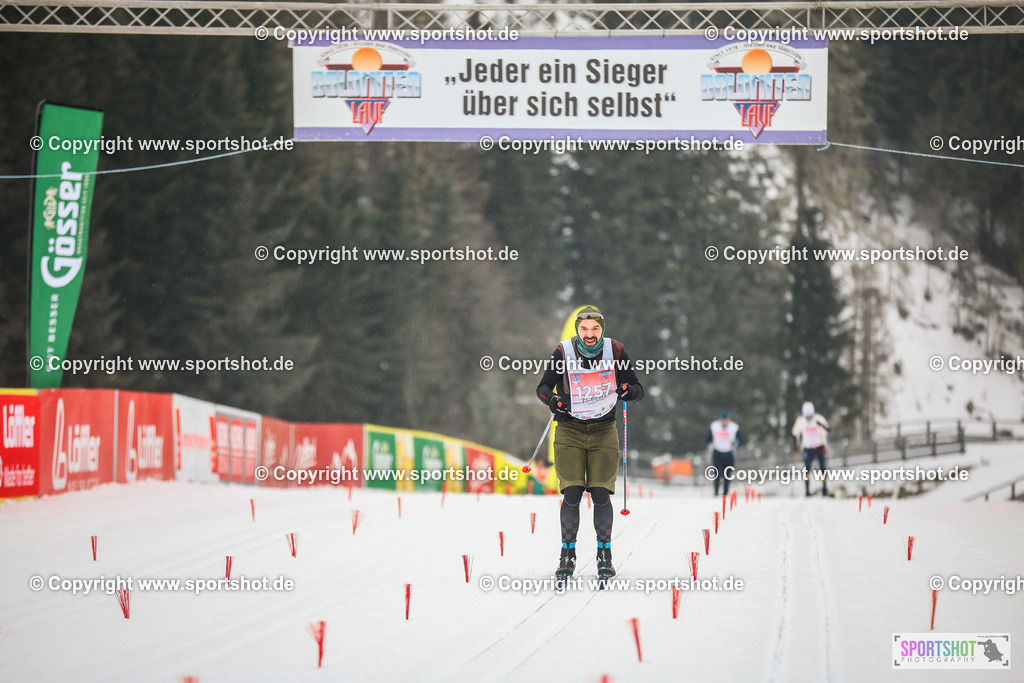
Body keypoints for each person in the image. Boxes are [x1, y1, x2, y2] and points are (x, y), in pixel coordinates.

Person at [536, 306, 644, 582]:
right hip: (570, 431)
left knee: (599, 493)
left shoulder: (615, 351)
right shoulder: (563, 352)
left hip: (603, 430)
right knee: (571, 492)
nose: (590, 334)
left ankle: (604, 554)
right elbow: (543, 387)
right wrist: (554, 401)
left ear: (602, 329)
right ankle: (567, 554)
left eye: (595, 328)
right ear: (577, 330)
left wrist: (627, 391)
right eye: (584, 329)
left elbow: (636, 389)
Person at [792, 401, 830, 497]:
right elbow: (795, 433)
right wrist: (795, 444)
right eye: (807, 416)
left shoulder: (818, 419)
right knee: (807, 470)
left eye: (810, 416)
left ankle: (825, 488)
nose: (808, 418)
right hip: (808, 449)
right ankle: (807, 490)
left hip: (820, 447)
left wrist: (822, 425)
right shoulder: (801, 421)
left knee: (823, 468)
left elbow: (828, 429)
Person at [706, 410, 744, 497]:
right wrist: (709, 445)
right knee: (717, 474)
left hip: (729, 454)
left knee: (727, 475)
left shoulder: (734, 427)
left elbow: (741, 441)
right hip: (717, 453)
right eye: (723, 420)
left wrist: (735, 444)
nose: (724, 422)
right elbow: (708, 438)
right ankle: (716, 493)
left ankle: (725, 494)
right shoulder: (714, 426)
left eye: (726, 420)